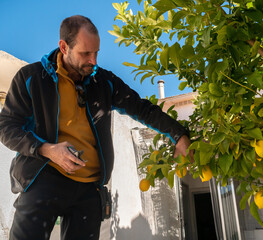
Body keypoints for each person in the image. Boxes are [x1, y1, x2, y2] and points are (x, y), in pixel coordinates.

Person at [0, 15, 191, 240]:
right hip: (42, 178)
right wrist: (46, 149)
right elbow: (6, 127)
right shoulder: (31, 78)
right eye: (85, 54)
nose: (94, 61)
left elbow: (142, 108)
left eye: (96, 52)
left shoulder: (103, 81)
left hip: (89, 190)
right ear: (64, 47)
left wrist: (178, 135)